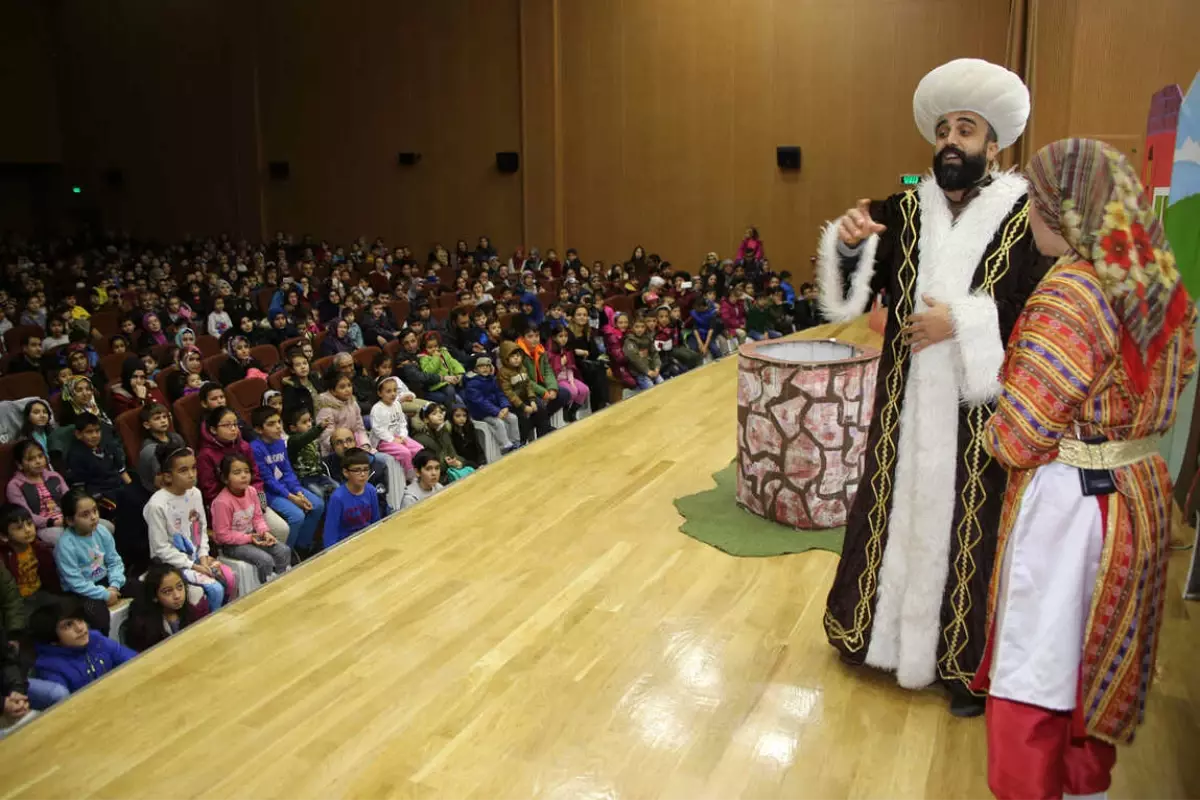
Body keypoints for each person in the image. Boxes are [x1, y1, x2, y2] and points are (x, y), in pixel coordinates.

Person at [818, 58, 1046, 716]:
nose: (950, 139)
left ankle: (960, 665)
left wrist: (965, 321)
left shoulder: (1024, 217)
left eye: (966, 129)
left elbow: (1037, 310)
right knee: (889, 510)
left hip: (978, 409)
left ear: (992, 144)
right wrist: (849, 243)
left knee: (968, 525)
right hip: (904, 405)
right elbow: (848, 295)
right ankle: (873, 637)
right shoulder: (904, 210)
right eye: (943, 128)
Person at [975, 139, 1197, 800]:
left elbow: (1019, 435)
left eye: (1037, 205)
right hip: (1137, 493)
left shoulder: (1072, 291)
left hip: (1070, 509)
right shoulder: (1157, 278)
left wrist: (994, 421)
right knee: (1095, 669)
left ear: (1066, 212)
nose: (1030, 220)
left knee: (1034, 677)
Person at [145, 443, 233, 612]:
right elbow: (160, 548)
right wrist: (193, 565)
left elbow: (201, 528)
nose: (191, 475)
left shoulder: (195, 493)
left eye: (194, 468)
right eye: (183, 470)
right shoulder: (157, 505)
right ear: (168, 476)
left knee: (228, 578)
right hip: (173, 564)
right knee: (215, 590)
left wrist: (203, 555)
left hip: (196, 558)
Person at [195, 406, 289, 541]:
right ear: (213, 429)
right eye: (227, 425)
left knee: (281, 529)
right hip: (228, 510)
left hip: (252, 503)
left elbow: (256, 478)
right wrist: (238, 504)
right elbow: (210, 492)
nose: (233, 429)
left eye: (235, 424)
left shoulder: (244, 446)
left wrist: (261, 504)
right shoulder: (205, 455)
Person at [52, 489, 129, 633]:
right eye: (85, 515)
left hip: (106, 580)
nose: (93, 517)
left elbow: (114, 561)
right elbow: (75, 582)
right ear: (70, 520)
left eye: (95, 511)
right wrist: (105, 594)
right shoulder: (65, 546)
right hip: (82, 592)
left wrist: (115, 585)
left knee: (144, 589)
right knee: (99, 618)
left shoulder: (101, 531)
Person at [249, 406, 324, 553]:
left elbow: (287, 471)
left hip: (287, 487)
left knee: (318, 505)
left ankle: (302, 547)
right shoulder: (255, 448)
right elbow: (268, 480)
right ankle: (286, 554)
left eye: (278, 422)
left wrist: (298, 492)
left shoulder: (280, 443)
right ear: (258, 430)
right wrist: (292, 497)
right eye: (271, 424)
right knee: (297, 516)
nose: (278, 427)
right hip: (269, 493)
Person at [30, 597, 136, 694]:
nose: (80, 628)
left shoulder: (95, 639)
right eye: (68, 625)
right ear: (50, 637)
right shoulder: (49, 668)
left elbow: (133, 661)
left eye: (80, 620)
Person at [212, 453, 295, 576]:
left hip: (252, 536)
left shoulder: (251, 491)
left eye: (246, 471)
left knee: (284, 551)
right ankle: (265, 588)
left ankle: (281, 579)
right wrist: (250, 538)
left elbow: (257, 518)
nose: (244, 476)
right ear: (225, 478)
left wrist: (264, 533)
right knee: (264, 560)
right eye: (237, 473)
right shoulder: (222, 502)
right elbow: (223, 535)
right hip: (232, 545)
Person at [5, 440, 80, 547]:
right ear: (19, 464)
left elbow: (70, 500)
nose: (38, 461)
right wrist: (52, 522)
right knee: (70, 539)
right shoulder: (15, 485)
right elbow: (25, 516)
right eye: (31, 459)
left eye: (40, 456)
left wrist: (73, 516)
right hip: (44, 527)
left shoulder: (54, 476)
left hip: (68, 519)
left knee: (106, 527)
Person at [124, 563, 200, 652]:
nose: (177, 595)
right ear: (154, 597)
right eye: (167, 591)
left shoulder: (190, 611)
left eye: (180, 586)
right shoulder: (144, 627)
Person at [0, 505, 61, 614]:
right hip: (19, 601)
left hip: (40, 592)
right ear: (4, 536)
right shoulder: (4, 558)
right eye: (19, 528)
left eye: (29, 524)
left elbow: (50, 576)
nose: (28, 530)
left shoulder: (40, 549)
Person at [462, 356, 521, 454]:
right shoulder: (472, 384)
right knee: (499, 423)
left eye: (487, 366)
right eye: (481, 366)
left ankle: (516, 442)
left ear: (491, 368)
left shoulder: (493, 380)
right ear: (476, 369)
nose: (485, 368)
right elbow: (480, 402)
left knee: (513, 418)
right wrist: (496, 411)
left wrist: (505, 406)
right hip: (481, 413)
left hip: (496, 409)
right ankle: (506, 446)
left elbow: (500, 394)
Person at [323, 448, 381, 547]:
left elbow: (376, 521)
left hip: (367, 540)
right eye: (357, 470)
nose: (362, 474)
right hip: (345, 544)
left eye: (366, 469)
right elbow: (330, 534)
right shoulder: (337, 498)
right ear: (346, 472)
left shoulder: (371, 490)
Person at [369, 377, 424, 480]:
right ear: (380, 393)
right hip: (383, 441)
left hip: (398, 436)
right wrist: (392, 439)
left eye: (395, 390)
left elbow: (402, 422)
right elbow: (378, 429)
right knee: (405, 453)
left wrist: (403, 436)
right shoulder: (377, 409)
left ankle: (420, 471)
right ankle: (410, 477)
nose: (393, 394)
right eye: (388, 391)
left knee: (419, 448)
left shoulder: (397, 404)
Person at [497, 341, 552, 442]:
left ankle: (543, 436)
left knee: (541, 408)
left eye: (518, 355)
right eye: (512, 356)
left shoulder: (522, 368)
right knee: (523, 420)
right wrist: (523, 406)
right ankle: (522, 442)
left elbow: (528, 385)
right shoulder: (503, 373)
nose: (516, 358)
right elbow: (509, 393)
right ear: (506, 359)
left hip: (526, 398)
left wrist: (532, 400)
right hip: (514, 403)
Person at [413, 404, 474, 483]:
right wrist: (449, 463)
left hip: (451, 470)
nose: (439, 415)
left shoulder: (443, 432)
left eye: (440, 413)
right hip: (438, 478)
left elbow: (453, 454)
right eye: (434, 414)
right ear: (426, 420)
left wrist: (459, 463)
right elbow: (429, 466)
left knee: (474, 466)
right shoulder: (419, 438)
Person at [285, 408, 337, 500]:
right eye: (304, 422)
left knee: (337, 488)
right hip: (304, 478)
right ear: (293, 428)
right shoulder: (293, 441)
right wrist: (319, 427)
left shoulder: (314, 438)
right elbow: (305, 438)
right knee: (319, 494)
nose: (309, 424)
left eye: (309, 420)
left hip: (319, 475)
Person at [136, 402, 187, 493]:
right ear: (147, 425)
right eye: (157, 418)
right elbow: (160, 482)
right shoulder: (150, 450)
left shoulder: (176, 438)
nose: (163, 421)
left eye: (164, 417)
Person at [546, 324, 590, 421]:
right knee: (572, 392)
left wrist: (572, 382)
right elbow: (551, 372)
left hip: (568, 378)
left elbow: (570, 369)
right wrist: (561, 363)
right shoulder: (550, 352)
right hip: (558, 380)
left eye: (565, 336)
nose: (564, 339)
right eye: (560, 336)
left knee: (584, 389)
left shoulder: (567, 350)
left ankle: (572, 411)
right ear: (554, 337)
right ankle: (566, 410)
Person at [622, 315, 664, 391]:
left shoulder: (647, 338)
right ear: (632, 327)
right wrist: (647, 371)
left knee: (663, 385)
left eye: (642, 327)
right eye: (637, 327)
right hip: (640, 373)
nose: (640, 329)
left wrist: (657, 367)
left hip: (652, 370)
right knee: (653, 391)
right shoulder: (629, 341)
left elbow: (654, 354)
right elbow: (635, 359)